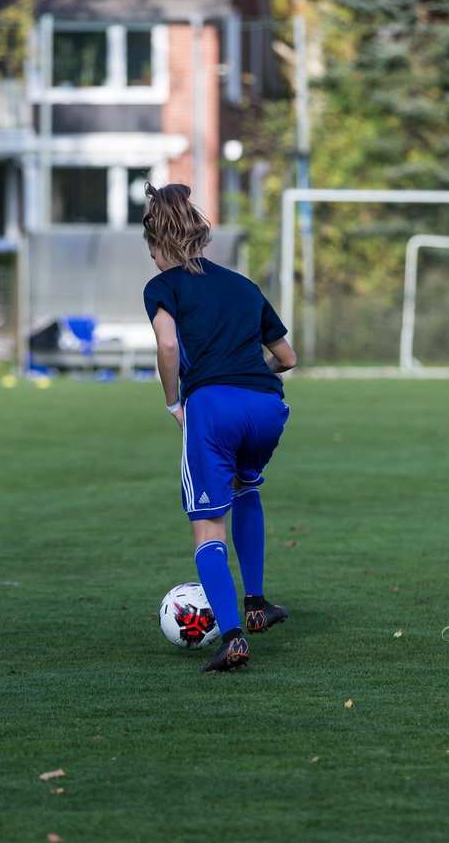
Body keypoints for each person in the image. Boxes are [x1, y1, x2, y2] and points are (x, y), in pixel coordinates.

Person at [142, 183, 298, 674]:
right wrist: (249, 375)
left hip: (214, 407)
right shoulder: (242, 285)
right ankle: (257, 603)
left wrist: (173, 403)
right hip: (268, 407)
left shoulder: (163, 286)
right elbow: (287, 358)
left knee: (208, 524)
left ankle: (232, 637)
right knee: (247, 488)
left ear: (157, 243)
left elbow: (168, 348)